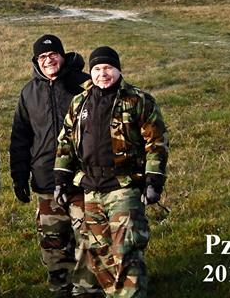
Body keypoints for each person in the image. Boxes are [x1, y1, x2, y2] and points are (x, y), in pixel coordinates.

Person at [54, 47, 169, 298]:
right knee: (99, 254)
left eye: (107, 68)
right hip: (91, 189)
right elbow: (65, 142)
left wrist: (153, 182)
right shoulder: (79, 101)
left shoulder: (138, 100)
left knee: (125, 250)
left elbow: (156, 143)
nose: (102, 74)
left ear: (118, 70)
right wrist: (61, 180)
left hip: (124, 187)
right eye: (96, 69)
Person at [10, 35, 102, 298]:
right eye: (42, 57)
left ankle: (86, 290)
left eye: (53, 55)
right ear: (36, 62)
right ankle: (60, 288)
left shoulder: (83, 84)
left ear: (62, 56)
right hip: (45, 181)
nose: (49, 60)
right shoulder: (29, 92)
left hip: (81, 180)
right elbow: (20, 137)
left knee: (88, 238)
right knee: (53, 243)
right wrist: (19, 176)